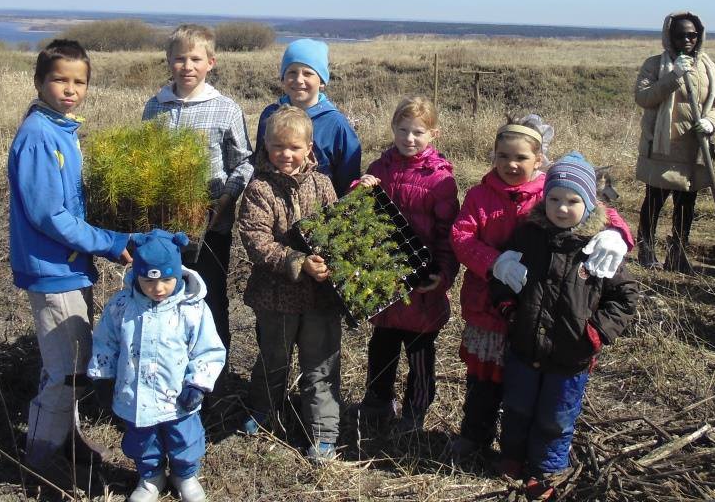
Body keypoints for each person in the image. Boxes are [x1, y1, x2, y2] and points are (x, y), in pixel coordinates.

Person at [450, 115, 634, 460]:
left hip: (540, 313)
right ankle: (475, 436)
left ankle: (524, 449)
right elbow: (461, 236)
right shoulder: (479, 194)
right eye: (502, 156)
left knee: (524, 385)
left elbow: (596, 208)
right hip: (488, 307)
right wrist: (494, 262)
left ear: (539, 160)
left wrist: (617, 234)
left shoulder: (548, 193)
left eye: (520, 157)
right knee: (483, 382)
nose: (511, 164)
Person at [7, 39, 135, 479]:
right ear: (39, 81)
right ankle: (41, 461)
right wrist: (107, 241)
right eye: (59, 79)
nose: (70, 89)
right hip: (52, 268)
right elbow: (50, 215)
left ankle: (67, 439)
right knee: (67, 371)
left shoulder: (60, 130)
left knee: (71, 363)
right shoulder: (40, 136)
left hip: (69, 265)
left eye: (79, 81)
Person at [490, 153, 639, 499]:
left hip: (571, 355)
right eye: (555, 198)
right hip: (525, 346)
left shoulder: (598, 247)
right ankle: (512, 456)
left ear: (588, 203)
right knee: (517, 405)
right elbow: (504, 276)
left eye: (573, 201)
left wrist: (596, 332)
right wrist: (510, 310)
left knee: (557, 417)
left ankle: (545, 472)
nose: (561, 208)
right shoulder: (528, 236)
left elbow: (625, 297)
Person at [88, 230, 226, 502]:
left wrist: (197, 383)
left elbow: (208, 349)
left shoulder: (191, 308)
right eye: (150, 281)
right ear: (138, 275)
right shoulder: (121, 306)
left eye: (167, 279)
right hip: (135, 395)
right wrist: (103, 377)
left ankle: (184, 474)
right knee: (142, 441)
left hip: (177, 398)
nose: (158, 288)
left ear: (178, 272)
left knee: (184, 440)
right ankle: (151, 476)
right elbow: (106, 342)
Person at [237, 105, 341, 462]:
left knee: (320, 365)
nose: (286, 154)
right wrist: (297, 262)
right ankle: (265, 413)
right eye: (278, 146)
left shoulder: (324, 185)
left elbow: (337, 232)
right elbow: (256, 240)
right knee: (273, 359)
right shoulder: (259, 189)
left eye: (294, 147)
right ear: (265, 147)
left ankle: (323, 432)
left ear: (309, 148)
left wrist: (328, 264)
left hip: (320, 300)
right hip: (275, 297)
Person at [143, 24, 253, 356]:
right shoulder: (156, 106)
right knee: (165, 295)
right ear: (168, 61)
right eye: (179, 59)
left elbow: (244, 162)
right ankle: (170, 367)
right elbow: (143, 159)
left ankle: (214, 379)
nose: (187, 66)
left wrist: (225, 199)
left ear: (211, 63)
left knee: (210, 299)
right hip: (164, 227)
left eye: (195, 59)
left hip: (211, 227)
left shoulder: (225, 108)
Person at [353, 97, 460, 432]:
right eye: (403, 130)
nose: (409, 138)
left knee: (420, 351)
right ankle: (377, 401)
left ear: (433, 134)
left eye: (418, 132)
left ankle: (416, 409)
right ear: (393, 130)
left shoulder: (440, 180)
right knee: (381, 346)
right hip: (384, 281)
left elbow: (447, 235)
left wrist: (442, 275)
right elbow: (360, 215)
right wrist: (360, 187)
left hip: (421, 285)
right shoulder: (379, 168)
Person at [633, 11, 715, 272]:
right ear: (669, 36)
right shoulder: (654, 65)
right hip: (663, 146)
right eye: (681, 34)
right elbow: (644, 97)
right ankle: (647, 248)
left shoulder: (710, 67)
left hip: (694, 148)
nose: (687, 39)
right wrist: (673, 76)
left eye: (692, 35)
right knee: (654, 200)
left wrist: (711, 123)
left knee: (687, 203)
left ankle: (678, 253)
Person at [255, 38, 361, 196]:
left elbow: (348, 180)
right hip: (272, 202)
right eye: (291, 72)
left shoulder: (336, 124)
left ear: (322, 81)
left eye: (308, 73)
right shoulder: (270, 115)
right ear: (283, 78)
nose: (298, 80)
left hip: (320, 209)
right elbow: (261, 161)